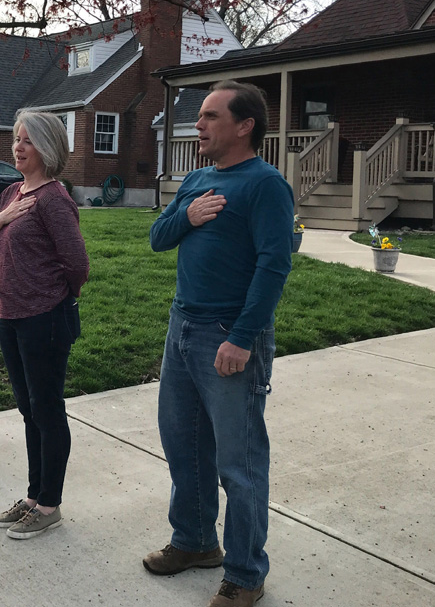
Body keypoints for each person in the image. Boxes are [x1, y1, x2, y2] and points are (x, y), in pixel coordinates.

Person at [145, 81, 293, 607]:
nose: (199, 125)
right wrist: (186, 215)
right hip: (182, 326)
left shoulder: (265, 184)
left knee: (240, 461)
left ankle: (246, 574)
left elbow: (274, 266)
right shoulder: (197, 179)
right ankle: (194, 542)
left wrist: (243, 338)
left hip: (229, 333)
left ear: (244, 124)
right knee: (183, 447)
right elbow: (157, 237)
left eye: (209, 116)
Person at [0, 110, 88, 540]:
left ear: (48, 148)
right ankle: (34, 496)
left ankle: (49, 505)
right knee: (28, 410)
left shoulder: (54, 199)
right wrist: (1, 218)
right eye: (17, 138)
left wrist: (55, 299)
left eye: (28, 140)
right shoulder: (11, 193)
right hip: (12, 317)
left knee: (47, 409)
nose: (18, 146)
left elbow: (77, 263)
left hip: (45, 319)